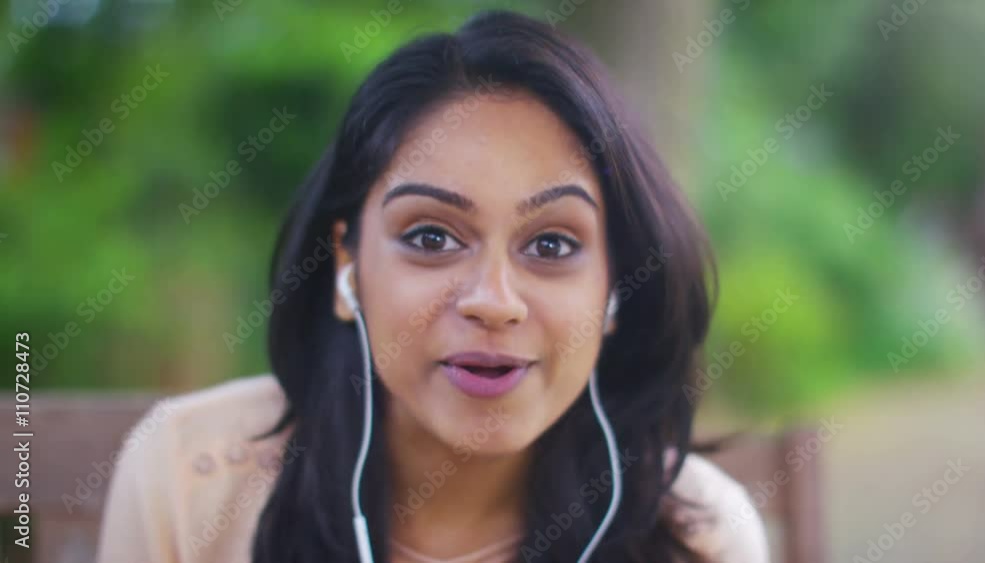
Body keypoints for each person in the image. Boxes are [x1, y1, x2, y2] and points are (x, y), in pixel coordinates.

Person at [96, 10, 769, 563]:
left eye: (553, 244)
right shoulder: (184, 478)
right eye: (430, 237)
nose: (493, 301)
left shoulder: (701, 537)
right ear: (346, 267)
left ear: (616, 287)